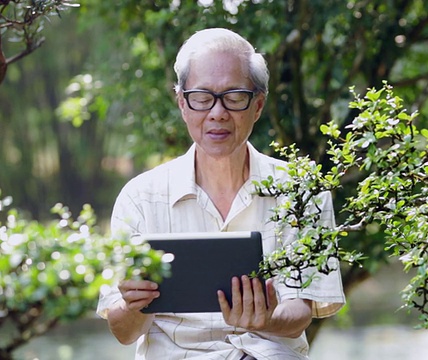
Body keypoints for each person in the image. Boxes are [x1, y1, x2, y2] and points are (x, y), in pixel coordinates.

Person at [97, 28, 345, 360]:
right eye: (202, 97)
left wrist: (267, 318)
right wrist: (133, 305)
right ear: (182, 103)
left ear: (258, 105)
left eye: (234, 96)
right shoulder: (140, 198)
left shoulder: (303, 191)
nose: (217, 112)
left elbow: (301, 310)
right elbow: (123, 332)